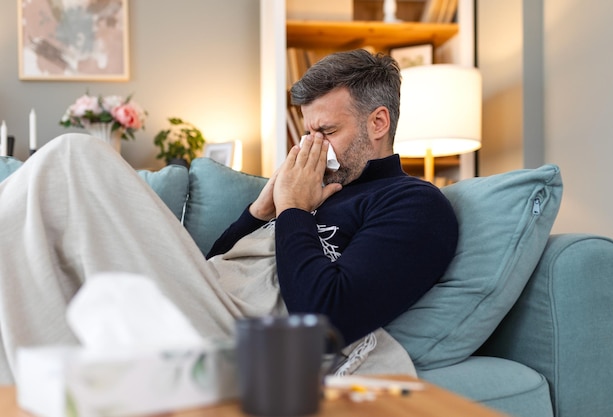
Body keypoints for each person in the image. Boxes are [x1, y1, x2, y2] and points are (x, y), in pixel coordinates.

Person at [0, 49, 458, 383]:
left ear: (378, 123)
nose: (311, 146)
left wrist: (296, 209)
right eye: (307, 132)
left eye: (327, 131)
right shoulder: (316, 187)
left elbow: (327, 319)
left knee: (74, 157)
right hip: (207, 302)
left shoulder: (414, 204)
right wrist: (264, 208)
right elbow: (217, 267)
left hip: (248, 336)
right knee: (42, 214)